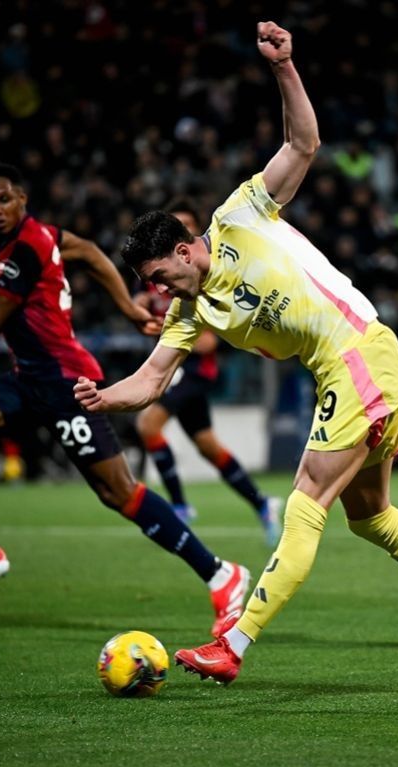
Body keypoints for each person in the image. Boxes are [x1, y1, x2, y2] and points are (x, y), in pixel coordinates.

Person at [74, 22, 398, 685]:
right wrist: (104, 395)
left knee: (307, 495)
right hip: (346, 368)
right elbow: (152, 378)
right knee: (370, 518)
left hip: (359, 352)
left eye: (160, 276)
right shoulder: (192, 311)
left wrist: (284, 68)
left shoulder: (240, 215)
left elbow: (303, 143)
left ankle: (236, 645)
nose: (157, 292)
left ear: (187, 248)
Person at [0, 163, 249, 638]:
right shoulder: (40, 236)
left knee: (119, 493)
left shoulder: (28, 244)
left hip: (65, 384)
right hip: (27, 380)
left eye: (4, 199)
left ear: (22, 198)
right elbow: (89, 252)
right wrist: (126, 305)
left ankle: (221, 575)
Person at [135, 201, 282, 543]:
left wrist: (167, 331)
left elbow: (206, 344)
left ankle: (181, 507)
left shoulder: (207, 274)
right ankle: (262, 504)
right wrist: (139, 310)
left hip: (195, 372)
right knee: (209, 447)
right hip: (175, 373)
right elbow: (142, 306)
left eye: (185, 225)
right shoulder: (160, 280)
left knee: (148, 424)